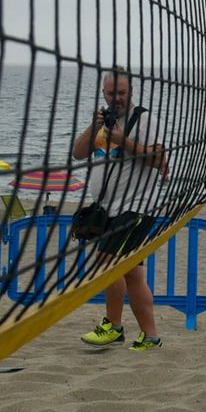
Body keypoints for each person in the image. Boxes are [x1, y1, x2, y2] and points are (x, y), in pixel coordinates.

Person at [74, 67, 169, 351]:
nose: (116, 98)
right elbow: (78, 152)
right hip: (108, 208)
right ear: (103, 93)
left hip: (137, 207)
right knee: (132, 273)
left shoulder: (145, 119)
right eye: (111, 93)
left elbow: (157, 157)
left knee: (106, 262)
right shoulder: (103, 121)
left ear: (131, 93)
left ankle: (113, 327)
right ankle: (150, 337)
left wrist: (120, 140)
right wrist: (95, 127)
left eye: (121, 93)